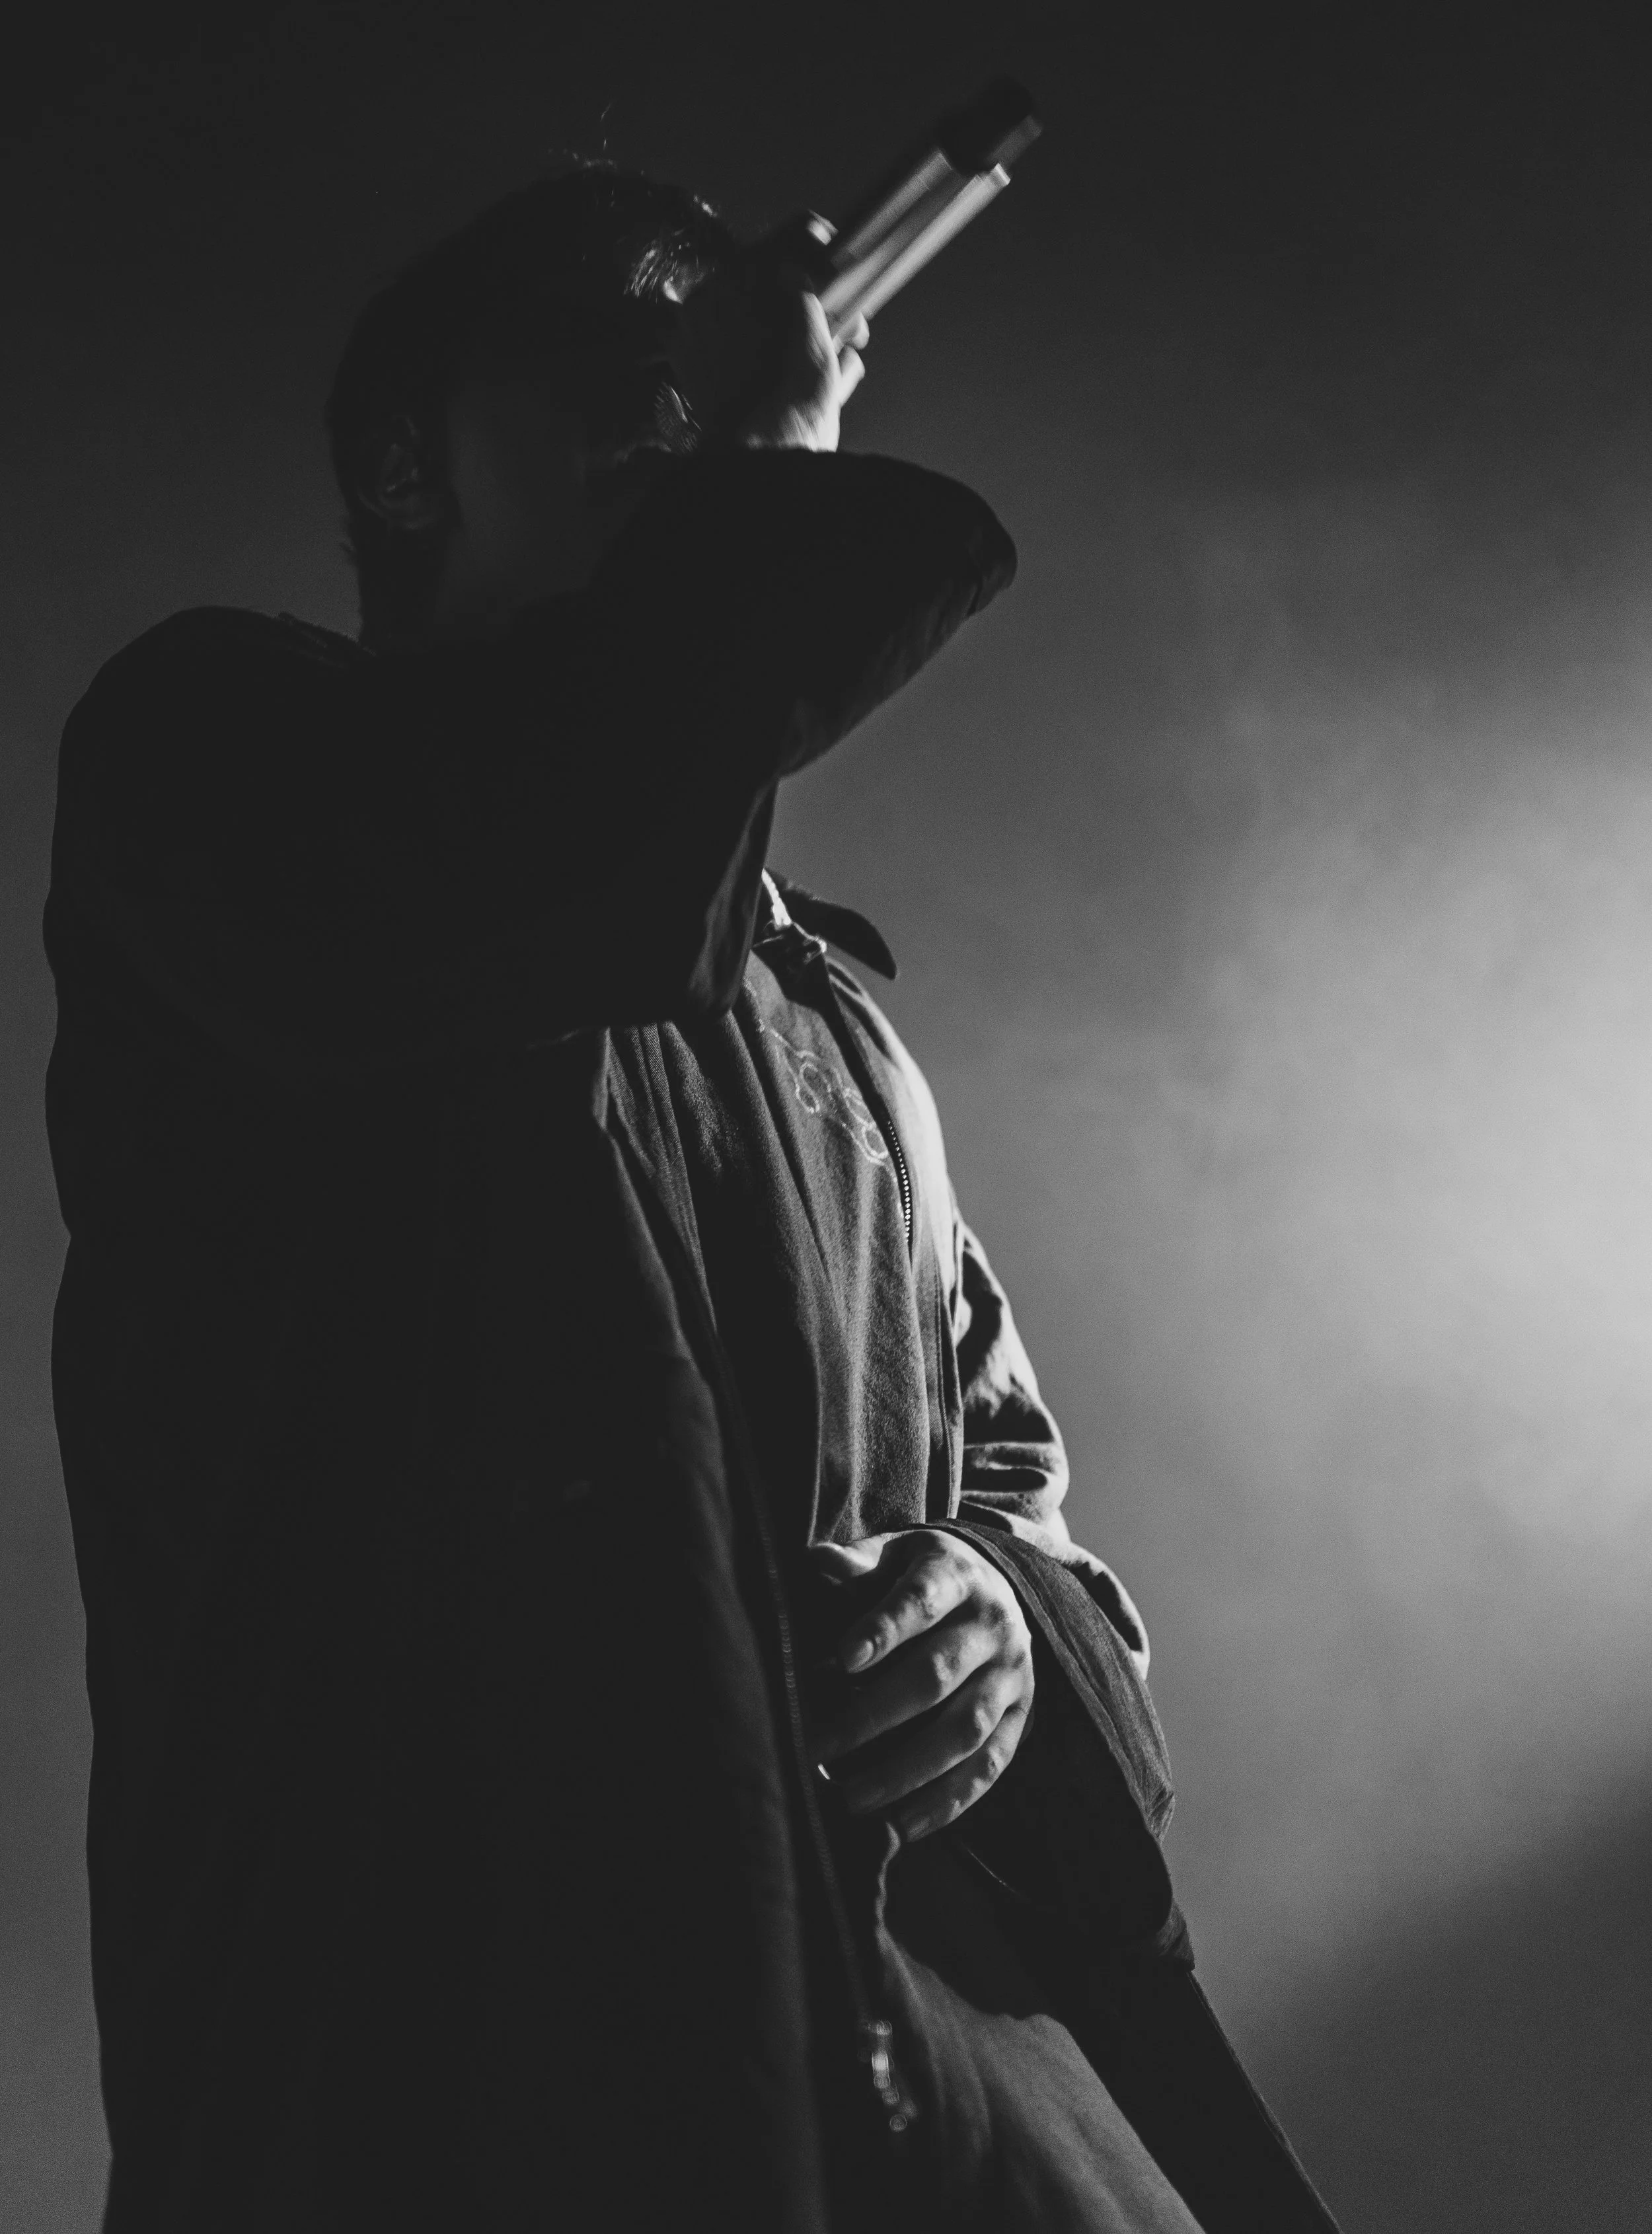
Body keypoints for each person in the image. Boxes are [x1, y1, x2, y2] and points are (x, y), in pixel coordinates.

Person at [46, 165, 1339, 2231]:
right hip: (462, 2089)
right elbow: (531, 865)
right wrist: (765, 471)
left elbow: (1023, 1506)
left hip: (958, 2124)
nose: (687, 396)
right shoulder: (215, 750)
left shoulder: (842, 1036)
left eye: (712, 358)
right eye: (620, 355)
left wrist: (993, 1621)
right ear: (404, 464)